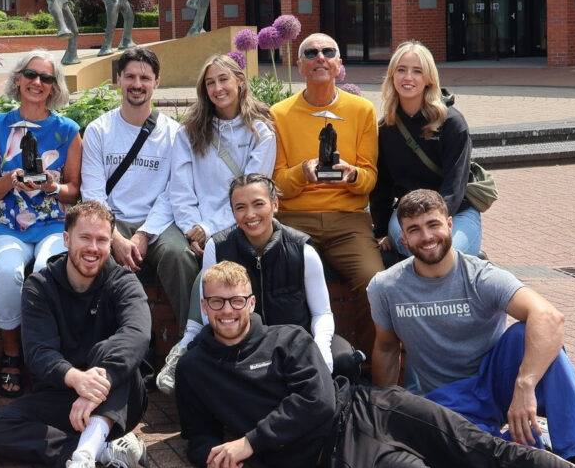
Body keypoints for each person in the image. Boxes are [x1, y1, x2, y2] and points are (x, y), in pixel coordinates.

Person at [176, 262, 575, 468]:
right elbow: (195, 435)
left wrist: (248, 443)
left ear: (251, 303)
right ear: (204, 305)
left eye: (235, 300)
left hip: (370, 407)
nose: (226, 310)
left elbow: (319, 403)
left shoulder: (288, 338)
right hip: (340, 455)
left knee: (482, 448)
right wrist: (211, 456)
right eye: (216, 301)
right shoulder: (195, 368)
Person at [367, 189, 575, 468]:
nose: (427, 236)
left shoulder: (482, 276)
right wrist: (383, 411)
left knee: (527, 332)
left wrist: (524, 386)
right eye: (414, 230)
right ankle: (539, 445)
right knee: (477, 454)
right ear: (403, 239)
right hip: (446, 400)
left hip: (494, 381)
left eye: (433, 225)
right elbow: (387, 348)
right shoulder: (386, 287)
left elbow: (551, 318)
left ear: (450, 225)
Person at [0, 201, 152, 468]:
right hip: (65, 395)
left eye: (102, 240)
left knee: (112, 353)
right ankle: (100, 448)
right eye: (85, 238)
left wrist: (99, 380)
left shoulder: (124, 282)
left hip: (120, 396)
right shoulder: (40, 285)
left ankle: (83, 461)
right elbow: (38, 352)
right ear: (66, 238)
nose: (94, 248)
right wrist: (75, 379)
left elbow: (137, 335)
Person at [157, 174, 361, 392]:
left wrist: (320, 349)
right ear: (233, 211)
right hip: (239, 345)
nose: (250, 215)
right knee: (195, 364)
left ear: (275, 204)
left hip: (296, 345)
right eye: (240, 207)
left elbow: (322, 313)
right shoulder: (217, 248)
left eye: (258, 204)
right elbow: (210, 312)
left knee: (344, 360)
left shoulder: (302, 250)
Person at [0, 51, 82, 398]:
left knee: (47, 270)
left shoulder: (68, 131)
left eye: (46, 78)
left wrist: (52, 187)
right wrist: (11, 179)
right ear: (19, 79)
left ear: (55, 87)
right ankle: (11, 351)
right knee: (8, 273)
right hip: (8, 226)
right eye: (31, 75)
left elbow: (73, 191)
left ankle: (46, 356)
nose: (37, 82)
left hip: (54, 224)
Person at [270, 33, 381, 352]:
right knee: (276, 280)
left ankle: (366, 369)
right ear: (299, 66)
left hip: (348, 221)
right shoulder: (279, 114)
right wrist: (303, 172)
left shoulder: (362, 110)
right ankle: (286, 363)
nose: (320, 56)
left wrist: (351, 175)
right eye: (311, 53)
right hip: (294, 219)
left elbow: (369, 177)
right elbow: (276, 183)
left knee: (375, 283)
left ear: (338, 65)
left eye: (328, 51)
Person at [80, 46, 197, 338]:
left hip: (159, 222)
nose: (137, 84)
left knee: (181, 256)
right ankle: (102, 345)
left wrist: (145, 234)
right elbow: (93, 194)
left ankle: (191, 342)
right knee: (94, 257)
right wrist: (115, 238)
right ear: (117, 79)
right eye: (130, 76)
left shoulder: (174, 133)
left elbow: (174, 191)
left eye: (145, 78)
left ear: (157, 82)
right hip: (111, 221)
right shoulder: (98, 130)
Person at [370, 41, 480, 256]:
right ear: (392, 76)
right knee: (419, 248)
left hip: (455, 213)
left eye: (417, 71)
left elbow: (454, 187)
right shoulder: (386, 127)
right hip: (407, 214)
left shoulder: (451, 123)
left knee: (442, 253)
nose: (408, 77)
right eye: (401, 70)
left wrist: (432, 227)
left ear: (429, 79)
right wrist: (381, 230)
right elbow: (381, 185)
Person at [168, 54, 276, 261]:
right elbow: (180, 189)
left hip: (242, 226)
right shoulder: (188, 133)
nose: (218, 88)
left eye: (223, 79)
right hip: (195, 227)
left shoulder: (260, 132)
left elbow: (251, 195)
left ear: (240, 81)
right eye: (210, 83)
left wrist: (209, 228)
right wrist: (193, 229)